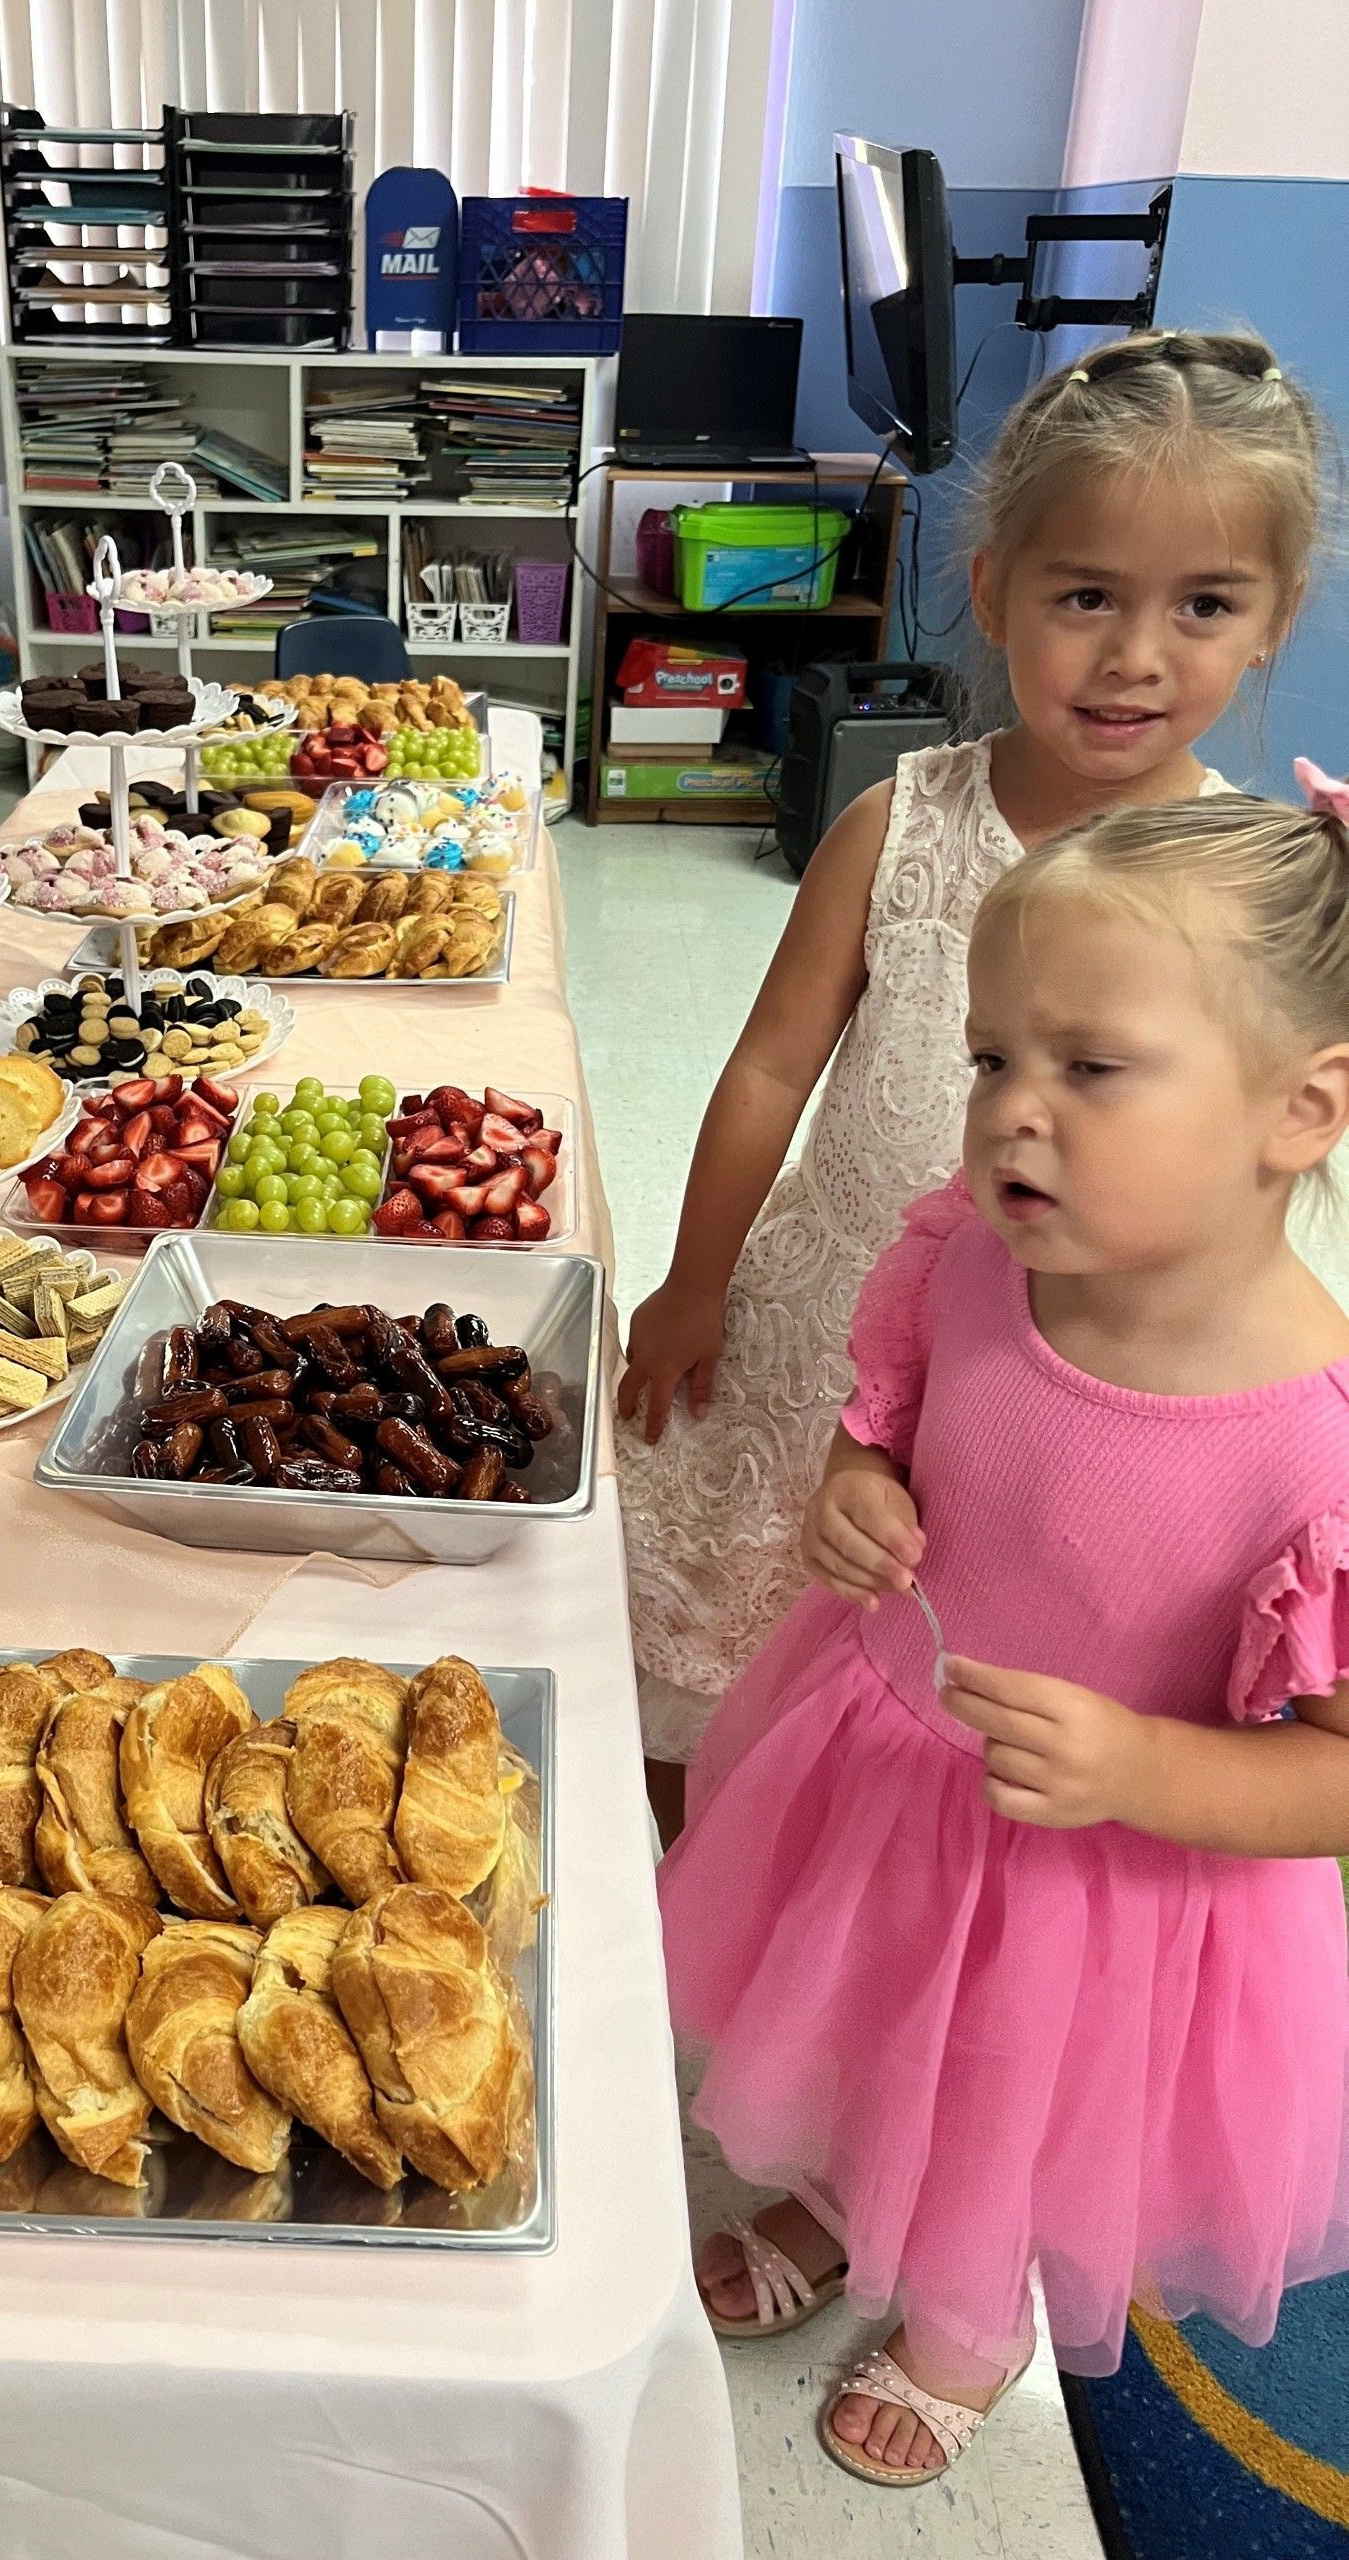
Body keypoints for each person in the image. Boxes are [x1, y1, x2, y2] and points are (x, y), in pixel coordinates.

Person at [664, 777, 1349, 2483]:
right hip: (887, 1758)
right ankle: (837, 2194)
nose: (1009, 1117)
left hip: (1104, 1866)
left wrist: (1149, 1763)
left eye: (1089, 1069)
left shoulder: (1314, 1444)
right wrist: (855, 1484)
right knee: (866, 2010)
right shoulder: (970, 1255)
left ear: (1301, 1111)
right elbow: (894, 1414)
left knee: (1011, 2093)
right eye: (991, 1059)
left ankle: (970, 2306)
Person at [617, 331, 1326, 1832]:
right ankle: (678, 1882)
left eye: (1204, 605)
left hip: (1025, 1390)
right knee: (708, 1631)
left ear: (1278, 617)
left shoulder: (1248, 887)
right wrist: (696, 1280)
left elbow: (1266, 1151)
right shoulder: (904, 818)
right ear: (996, 590)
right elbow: (767, 1067)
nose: (1136, 655)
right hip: (816, 1331)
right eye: (1086, 597)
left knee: (912, 1692)